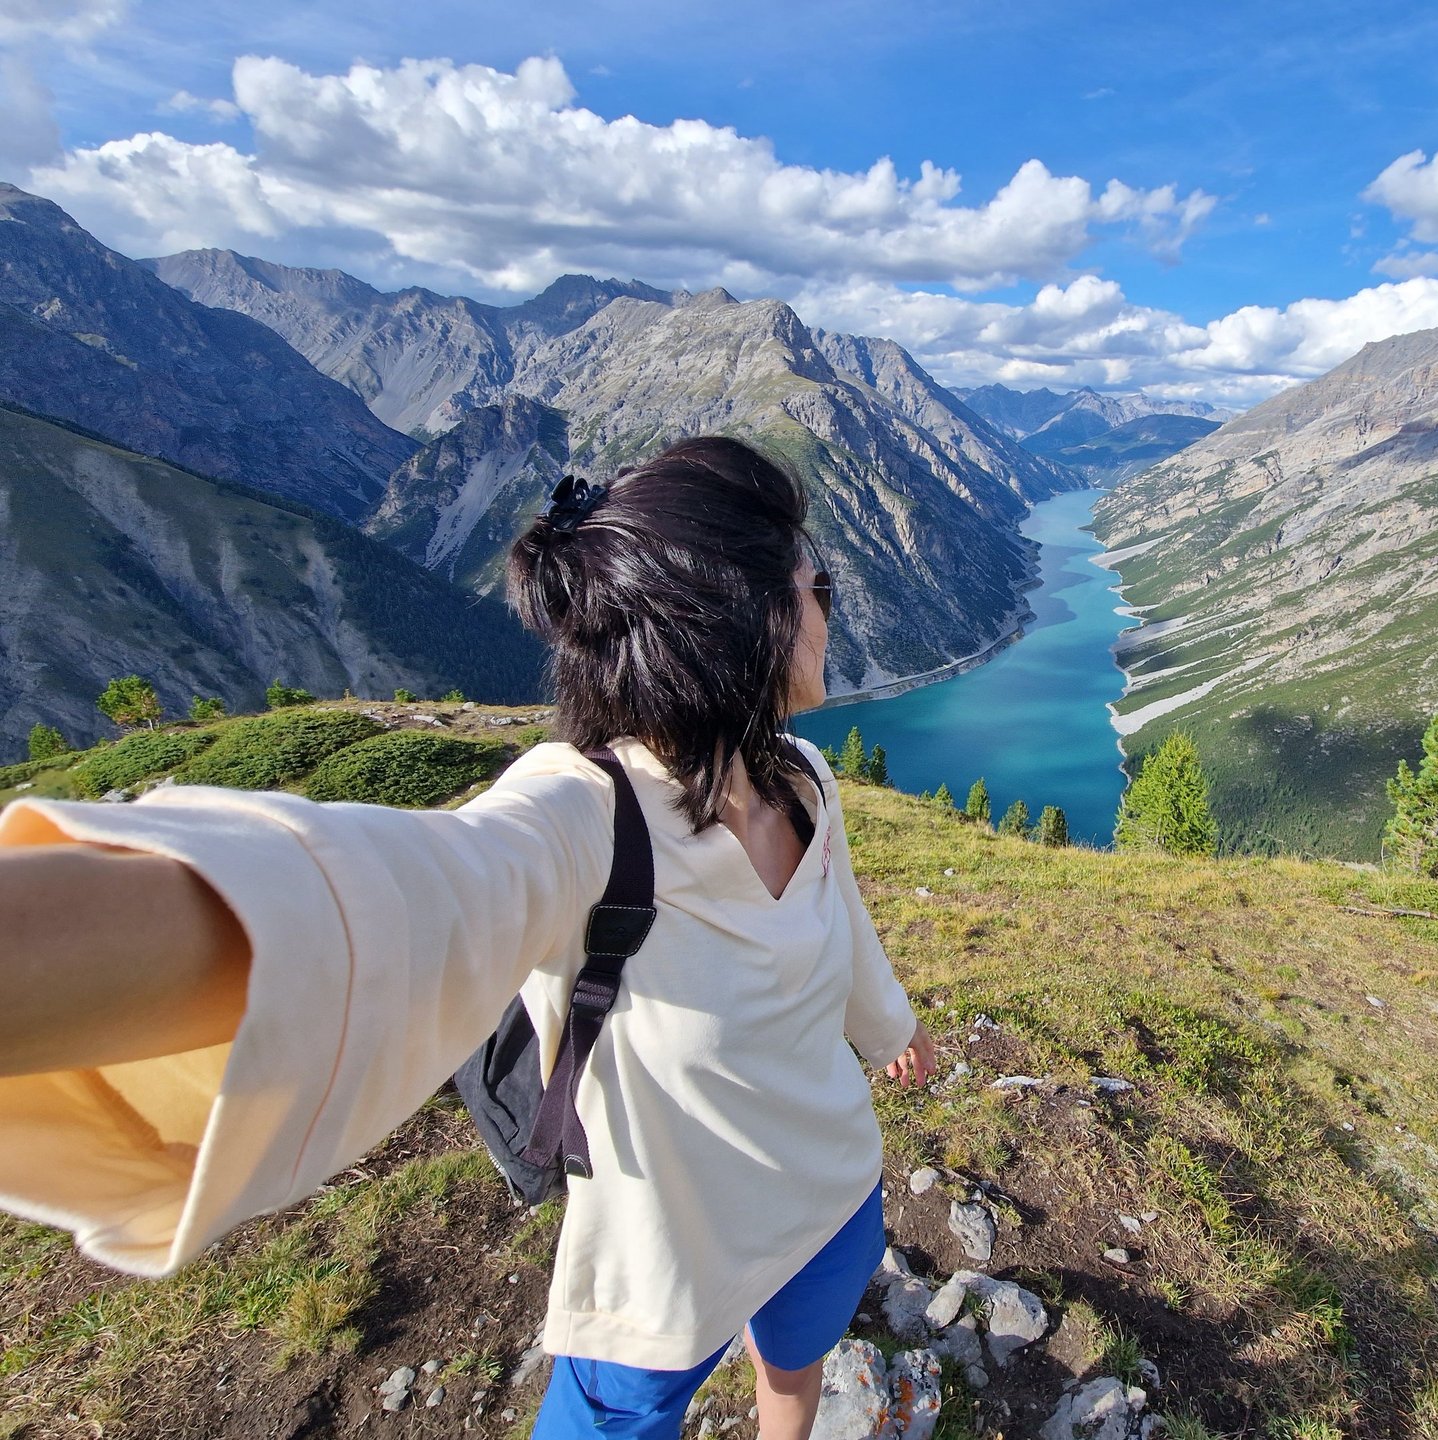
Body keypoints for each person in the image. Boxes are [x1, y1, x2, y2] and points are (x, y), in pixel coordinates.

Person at [0, 436, 937, 1440]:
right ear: (740, 619)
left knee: (793, 1367)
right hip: (669, 1244)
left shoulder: (801, 778)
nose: (832, 609)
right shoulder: (580, 814)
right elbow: (400, 893)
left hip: (832, 1182)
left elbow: (838, 921)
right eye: (819, 585)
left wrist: (888, 1031)